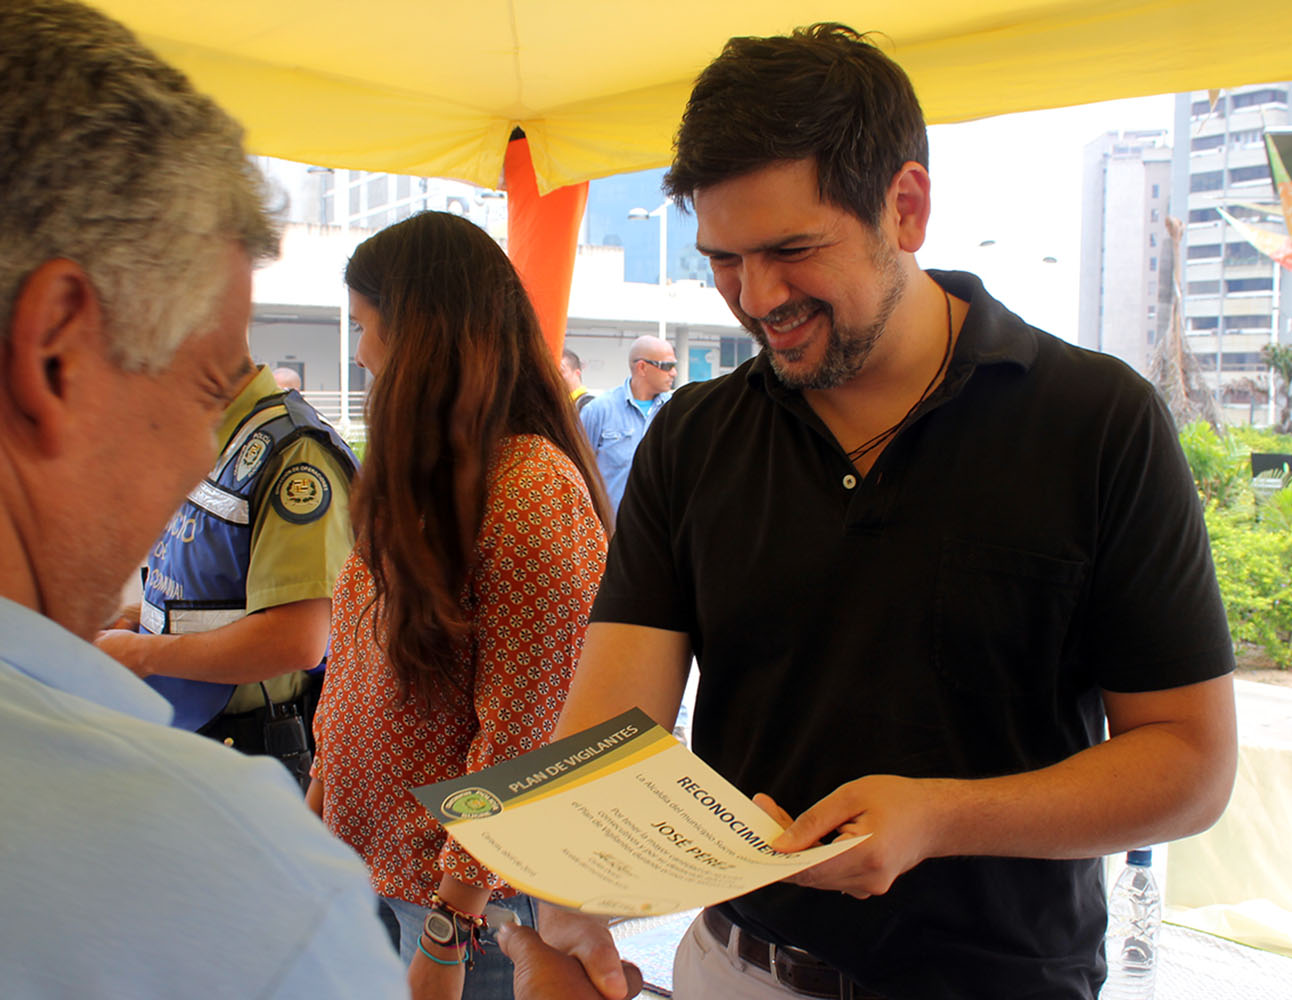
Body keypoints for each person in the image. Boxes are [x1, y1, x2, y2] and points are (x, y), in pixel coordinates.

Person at [547, 24, 1239, 1000]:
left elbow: (1192, 763)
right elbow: (609, 737)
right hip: (738, 970)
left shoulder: (1094, 421)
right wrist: (557, 888)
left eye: (791, 249)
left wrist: (938, 817)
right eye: (725, 259)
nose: (756, 298)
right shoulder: (695, 437)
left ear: (905, 206)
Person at [0, 1, 406, 995]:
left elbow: (302, 635)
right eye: (204, 387)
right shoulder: (233, 887)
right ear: (57, 355)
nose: (197, 449)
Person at [311, 211, 613, 1000]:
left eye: (367, 326)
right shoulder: (424, 475)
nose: (360, 352)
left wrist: (451, 926)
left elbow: (525, 730)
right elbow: (352, 665)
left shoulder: (528, 491)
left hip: (466, 907)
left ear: (426, 335)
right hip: (379, 871)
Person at [93, 357, 356, 789]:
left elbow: (298, 640)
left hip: (250, 747)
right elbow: (224, 590)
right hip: (191, 730)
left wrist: (141, 654)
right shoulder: (219, 436)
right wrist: (145, 617)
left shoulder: (293, 453)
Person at [579, 334, 676, 517]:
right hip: (611, 533)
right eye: (667, 366)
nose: (673, 373)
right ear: (642, 367)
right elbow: (577, 468)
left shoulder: (675, 411)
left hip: (659, 535)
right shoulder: (598, 411)